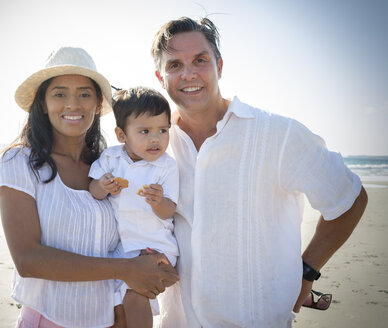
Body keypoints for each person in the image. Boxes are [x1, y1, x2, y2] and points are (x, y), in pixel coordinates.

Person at [150, 17, 368, 327]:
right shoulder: (156, 147)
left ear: (219, 66)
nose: (188, 74)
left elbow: (349, 197)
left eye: (200, 60)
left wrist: (308, 271)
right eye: (174, 65)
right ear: (160, 77)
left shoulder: (276, 135)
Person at [0, 46, 178, 328]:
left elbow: (130, 233)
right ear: (43, 103)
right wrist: (128, 269)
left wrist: (151, 260)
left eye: (84, 93)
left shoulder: (107, 168)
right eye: (59, 93)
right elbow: (27, 259)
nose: (73, 104)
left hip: (111, 320)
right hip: (48, 320)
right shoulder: (20, 162)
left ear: (97, 103)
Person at [88, 87, 179, 328]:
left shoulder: (166, 167)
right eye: (145, 131)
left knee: (135, 294)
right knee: (117, 305)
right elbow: (93, 192)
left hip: (156, 246)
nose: (156, 139)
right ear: (121, 135)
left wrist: (159, 202)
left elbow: (169, 211)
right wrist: (104, 186)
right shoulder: (111, 159)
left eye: (163, 130)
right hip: (123, 248)